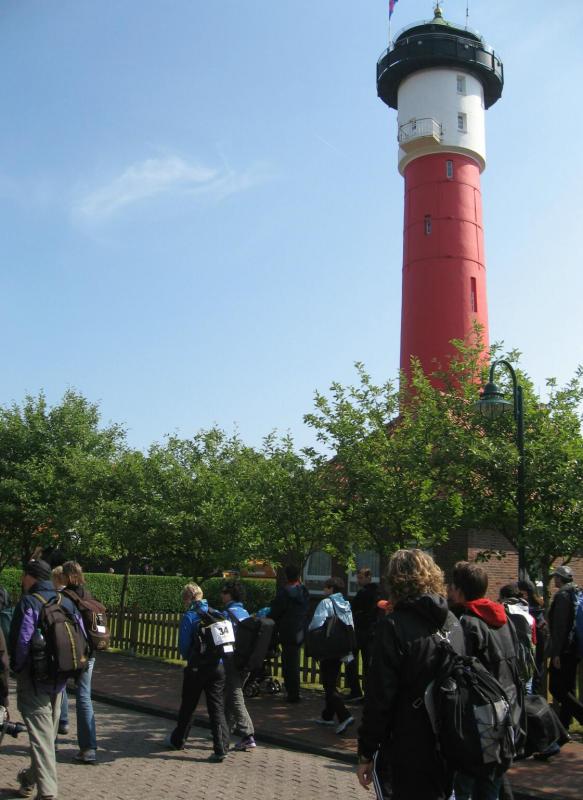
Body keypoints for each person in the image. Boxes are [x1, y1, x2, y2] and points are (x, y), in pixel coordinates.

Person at [357, 549, 465, 800]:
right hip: (450, 739)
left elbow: (380, 696)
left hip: (409, 743)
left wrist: (366, 751)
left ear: (395, 580)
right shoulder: (452, 622)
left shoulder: (394, 625)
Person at [448, 561, 524, 800]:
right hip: (508, 706)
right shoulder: (504, 619)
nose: (449, 591)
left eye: (452, 587)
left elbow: (458, 671)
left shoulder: (467, 623)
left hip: (480, 715)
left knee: (466, 782)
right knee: (492, 777)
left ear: (460, 591)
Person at [9, 559, 82, 800]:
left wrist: (17, 668)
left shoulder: (29, 602)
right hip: (60, 678)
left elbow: (22, 641)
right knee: (46, 737)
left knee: (42, 739)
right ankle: (29, 779)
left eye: (24, 576)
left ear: (31, 577)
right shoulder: (66, 601)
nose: (22, 580)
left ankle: (47, 792)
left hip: (34, 678)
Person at [165, 583, 230, 762]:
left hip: (197, 668)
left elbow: (184, 646)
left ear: (187, 599)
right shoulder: (218, 613)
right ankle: (221, 747)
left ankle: (178, 740)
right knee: (216, 707)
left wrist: (191, 658)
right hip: (218, 667)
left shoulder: (190, 616)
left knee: (188, 705)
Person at [59, 561, 98, 763]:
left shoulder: (64, 597)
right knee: (84, 696)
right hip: (89, 653)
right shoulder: (87, 594)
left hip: (70, 652)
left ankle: (54, 734)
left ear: (66, 576)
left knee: (58, 690)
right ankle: (89, 748)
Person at [309, 576, 355, 735]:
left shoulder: (326, 603)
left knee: (328, 685)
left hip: (328, 647)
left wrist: (311, 634)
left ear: (330, 589)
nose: (324, 590)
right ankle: (327, 715)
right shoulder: (346, 604)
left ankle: (344, 716)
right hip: (342, 647)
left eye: (325, 587)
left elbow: (317, 623)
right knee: (332, 678)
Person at [220, 580, 256, 751]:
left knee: (235, 697)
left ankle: (248, 735)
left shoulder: (226, 614)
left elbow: (223, 640)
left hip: (232, 660)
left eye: (224, 592)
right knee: (230, 695)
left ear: (231, 595)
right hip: (245, 660)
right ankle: (223, 731)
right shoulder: (245, 613)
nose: (221, 595)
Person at [547, 564, 583, 729]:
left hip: (564, 649)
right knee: (569, 687)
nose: (554, 579)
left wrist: (556, 653)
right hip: (575, 647)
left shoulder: (562, 595)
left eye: (555, 577)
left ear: (559, 578)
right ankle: (564, 726)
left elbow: (560, 627)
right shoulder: (576, 592)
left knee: (555, 688)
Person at [268, 565, 309, 703]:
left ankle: (292, 693)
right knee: (294, 662)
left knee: (288, 663)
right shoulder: (303, 591)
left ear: (286, 576)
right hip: (299, 630)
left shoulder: (284, 592)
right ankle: (294, 691)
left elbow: (276, 611)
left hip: (286, 630)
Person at [345, 567, 380, 701]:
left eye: (360, 578)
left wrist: (357, 615)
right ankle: (368, 693)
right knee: (367, 664)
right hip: (371, 632)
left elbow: (355, 609)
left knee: (351, 660)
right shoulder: (377, 592)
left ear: (368, 578)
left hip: (361, 631)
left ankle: (355, 691)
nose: (358, 580)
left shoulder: (364, 593)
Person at [517, 578, 548, 695]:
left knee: (529, 669)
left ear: (524, 592)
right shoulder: (540, 604)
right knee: (538, 668)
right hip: (540, 639)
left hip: (532, 640)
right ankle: (536, 694)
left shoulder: (524, 606)